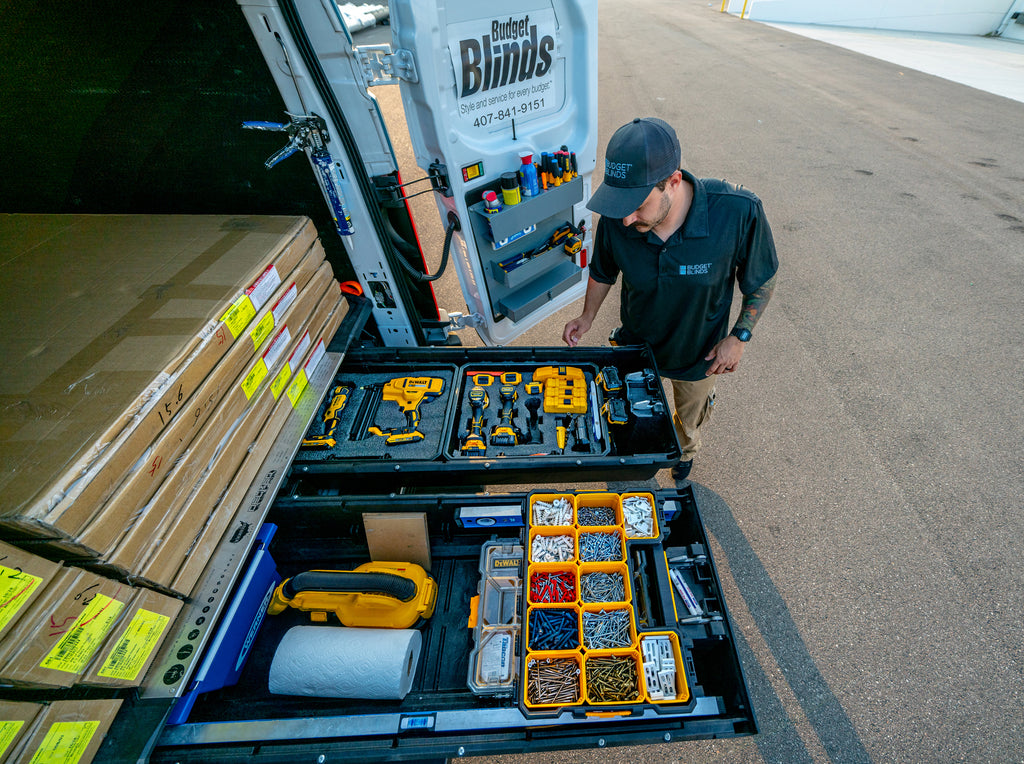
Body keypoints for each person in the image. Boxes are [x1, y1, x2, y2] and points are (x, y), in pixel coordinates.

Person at [563, 117, 778, 481]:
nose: (627, 219)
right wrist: (586, 316)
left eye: (637, 205)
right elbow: (603, 270)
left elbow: (762, 279)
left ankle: (684, 452)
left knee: (687, 423)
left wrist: (739, 336)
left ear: (673, 182)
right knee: (633, 416)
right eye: (620, 205)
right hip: (637, 346)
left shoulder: (737, 212)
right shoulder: (618, 219)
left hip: (699, 359)